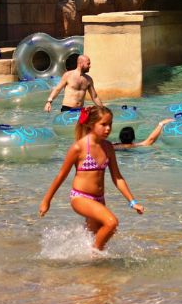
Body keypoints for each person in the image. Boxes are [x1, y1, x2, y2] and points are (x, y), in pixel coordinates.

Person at [39, 106, 145, 251]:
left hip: (99, 200)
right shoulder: (79, 147)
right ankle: (94, 254)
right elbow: (61, 175)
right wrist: (46, 201)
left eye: (110, 124)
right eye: (103, 124)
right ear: (91, 124)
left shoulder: (108, 147)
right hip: (81, 197)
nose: (108, 128)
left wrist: (133, 202)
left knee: (95, 235)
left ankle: (86, 264)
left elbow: (118, 178)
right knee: (111, 223)